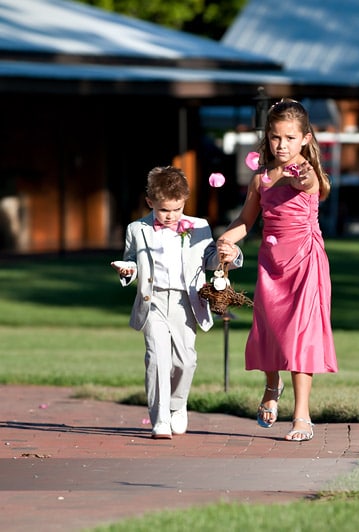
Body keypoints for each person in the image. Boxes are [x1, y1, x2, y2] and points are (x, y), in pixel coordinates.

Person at [216, 98, 338, 442]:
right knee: (269, 330)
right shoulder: (261, 180)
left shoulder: (307, 173)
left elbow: (310, 183)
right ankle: (272, 384)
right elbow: (245, 221)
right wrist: (227, 239)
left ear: (305, 139)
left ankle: (302, 415)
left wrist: (302, 174)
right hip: (272, 266)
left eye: (289, 137)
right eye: (275, 137)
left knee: (301, 335)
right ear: (267, 138)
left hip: (305, 263)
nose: (281, 145)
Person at [111, 166, 242, 439]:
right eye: (164, 210)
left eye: (177, 209)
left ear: (184, 202)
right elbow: (133, 261)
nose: (170, 216)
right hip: (153, 300)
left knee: (185, 361)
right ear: (150, 203)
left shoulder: (199, 227)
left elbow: (210, 260)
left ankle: (177, 405)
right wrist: (128, 270)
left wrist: (227, 254)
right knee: (157, 359)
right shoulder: (137, 229)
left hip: (187, 301)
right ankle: (159, 419)